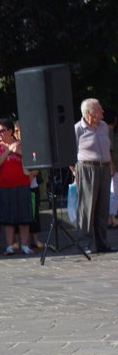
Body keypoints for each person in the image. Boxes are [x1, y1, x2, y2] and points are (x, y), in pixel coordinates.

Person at [73, 98, 114, 253]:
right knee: (87, 208)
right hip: (87, 168)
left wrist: (111, 164)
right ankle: (84, 244)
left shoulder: (104, 127)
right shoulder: (78, 129)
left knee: (103, 207)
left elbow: (108, 148)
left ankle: (102, 243)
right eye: (99, 109)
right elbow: (70, 152)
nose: (103, 112)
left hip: (104, 168)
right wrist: (74, 170)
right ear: (90, 113)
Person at [0, 118, 34, 255]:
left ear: (10, 131)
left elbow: (33, 160)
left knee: (24, 217)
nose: (0, 134)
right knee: (8, 219)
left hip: (23, 183)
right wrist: (8, 151)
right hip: (5, 185)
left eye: (2, 130)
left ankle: (25, 245)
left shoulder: (22, 144)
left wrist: (18, 151)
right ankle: (9, 246)